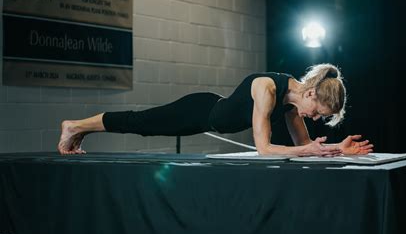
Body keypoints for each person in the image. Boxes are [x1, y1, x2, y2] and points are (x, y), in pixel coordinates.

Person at [57, 63, 373, 156]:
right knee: (141, 122)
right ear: (313, 92)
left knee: (141, 124)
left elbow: (305, 147)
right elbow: (263, 149)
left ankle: (79, 131)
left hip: (208, 117)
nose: (314, 118)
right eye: (317, 111)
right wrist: (311, 152)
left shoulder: (292, 105)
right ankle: (74, 126)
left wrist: (338, 150)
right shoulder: (268, 88)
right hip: (199, 111)